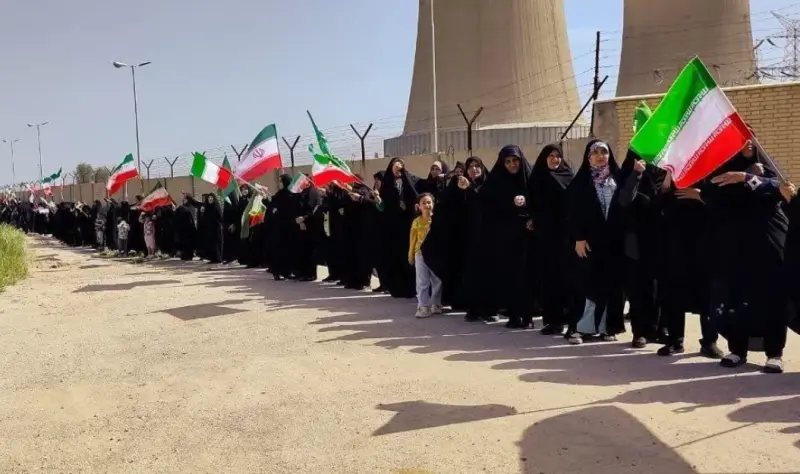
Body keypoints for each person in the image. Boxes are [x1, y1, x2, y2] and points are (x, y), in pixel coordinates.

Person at [529, 144, 574, 335]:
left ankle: (570, 319)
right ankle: (552, 321)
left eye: (558, 156)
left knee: (567, 279)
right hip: (546, 236)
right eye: (551, 156)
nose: (555, 159)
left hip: (566, 236)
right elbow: (532, 204)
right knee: (549, 278)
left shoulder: (569, 176)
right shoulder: (537, 178)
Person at [409, 193, 442, 318]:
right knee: (422, 281)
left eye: (429, 202)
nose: (427, 205)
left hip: (435, 254)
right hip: (420, 254)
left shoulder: (437, 220)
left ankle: (436, 304)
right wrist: (411, 255)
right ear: (419, 206)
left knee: (437, 280)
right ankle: (423, 306)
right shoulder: (416, 222)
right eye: (423, 203)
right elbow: (413, 239)